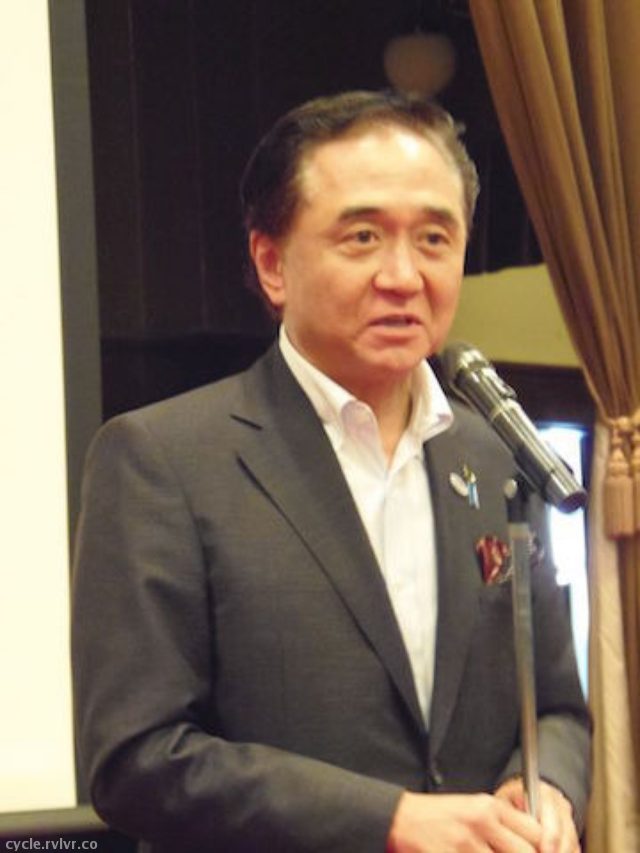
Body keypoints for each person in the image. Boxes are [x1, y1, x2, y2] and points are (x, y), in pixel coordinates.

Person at [72, 90, 590, 852]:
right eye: (362, 237)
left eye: (435, 238)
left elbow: (558, 709)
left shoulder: (493, 456)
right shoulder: (162, 459)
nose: (403, 275)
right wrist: (388, 820)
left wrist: (544, 787)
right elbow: (135, 760)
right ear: (271, 263)